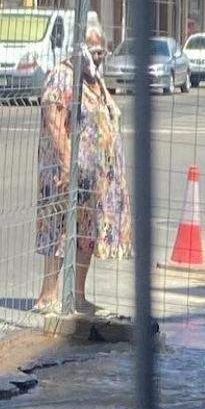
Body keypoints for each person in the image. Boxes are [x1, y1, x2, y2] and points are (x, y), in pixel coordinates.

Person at [34, 26, 131, 313]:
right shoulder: (62, 77)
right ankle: (47, 295)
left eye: (103, 51)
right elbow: (53, 120)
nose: (99, 57)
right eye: (95, 51)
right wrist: (67, 163)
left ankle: (76, 295)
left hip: (94, 178)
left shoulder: (93, 80)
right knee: (60, 229)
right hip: (67, 173)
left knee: (86, 233)